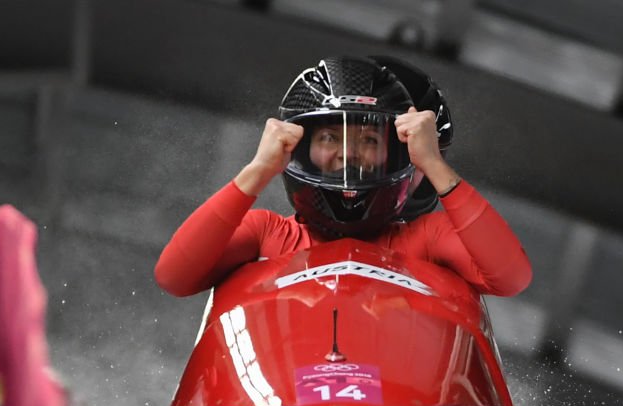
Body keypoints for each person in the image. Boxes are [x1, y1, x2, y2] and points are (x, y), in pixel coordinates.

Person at [154, 56, 532, 298]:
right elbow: (175, 276)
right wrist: (257, 171)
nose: (348, 155)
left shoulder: (426, 238)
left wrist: (434, 165)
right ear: (297, 147)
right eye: (331, 137)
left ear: (399, 153)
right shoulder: (266, 234)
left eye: (368, 140)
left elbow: (510, 278)